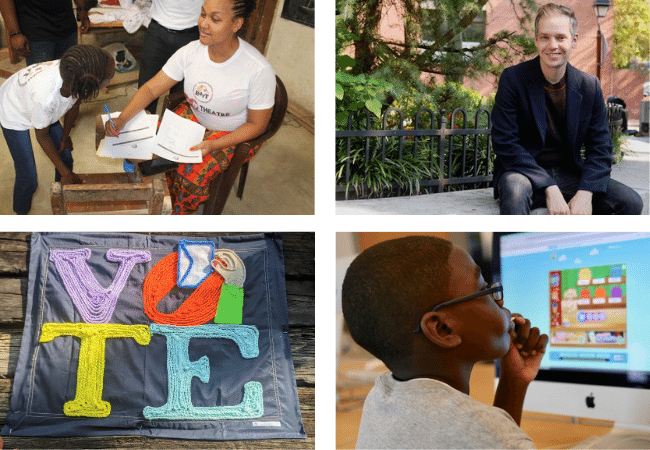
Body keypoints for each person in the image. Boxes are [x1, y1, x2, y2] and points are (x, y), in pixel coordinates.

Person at [342, 235, 547, 449]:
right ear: (443, 328)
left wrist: (513, 382)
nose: (500, 301)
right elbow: (494, 439)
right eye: (484, 288)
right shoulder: (491, 434)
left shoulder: (379, 397)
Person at [105, 0, 275, 215]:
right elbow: (150, 89)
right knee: (136, 141)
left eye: (215, 19)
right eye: (202, 14)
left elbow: (257, 124)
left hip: (232, 133)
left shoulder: (257, 69)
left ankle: (180, 212)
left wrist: (214, 145)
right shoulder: (191, 51)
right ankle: (160, 186)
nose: (204, 24)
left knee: (190, 174)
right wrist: (123, 119)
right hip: (195, 118)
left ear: (236, 24)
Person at [491, 3, 643, 215]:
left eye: (560, 37)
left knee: (631, 202)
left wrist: (586, 191)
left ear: (574, 40)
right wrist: (548, 186)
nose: (552, 45)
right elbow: (505, 143)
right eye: (545, 37)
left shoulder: (589, 86)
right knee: (515, 190)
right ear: (536, 40)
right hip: (524, 174)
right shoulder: (513, 79)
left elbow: (600, 148)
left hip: (570, 174)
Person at [0, 44, 115, 214]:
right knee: (29, 178)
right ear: (89, 83)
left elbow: (74, 106)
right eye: (108, 78)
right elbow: (42, 137)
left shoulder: (75, 76)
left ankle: (59, 196)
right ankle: (20, 215)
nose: (110, 80)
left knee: (65, 155)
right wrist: (66, 173)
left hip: (37, 101)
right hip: (13, 110)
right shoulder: (46, 98)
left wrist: (65, 137)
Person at [138, 0, 204, 114]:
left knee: (180, 95)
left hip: (190, 33)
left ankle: (171, 128)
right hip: (157, 31)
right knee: (147, 87)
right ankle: (145, 127)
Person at [0, 0, 90, 66]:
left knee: (69, 77)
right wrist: (14, 33)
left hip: (67, 25)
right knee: (41, 83)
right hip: (36, 31)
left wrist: (82, 9)